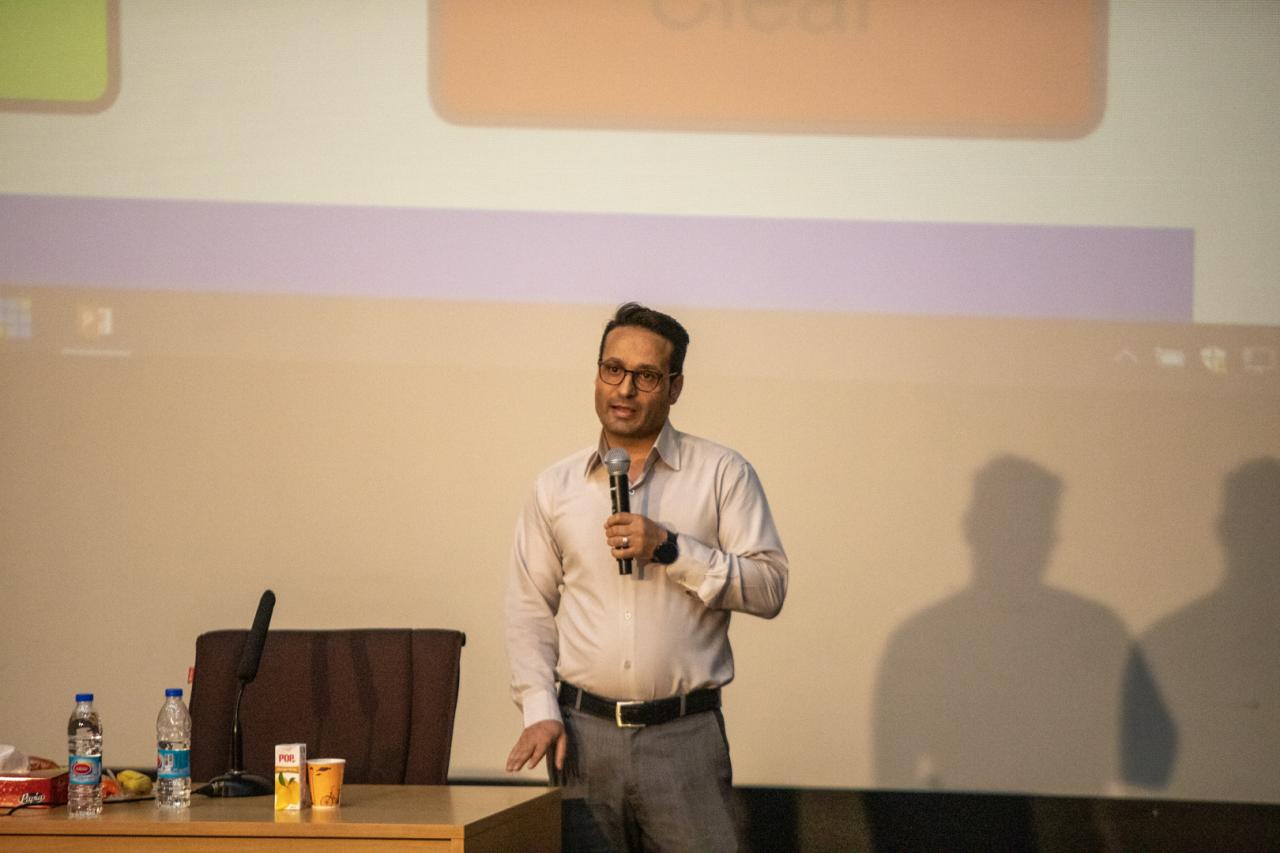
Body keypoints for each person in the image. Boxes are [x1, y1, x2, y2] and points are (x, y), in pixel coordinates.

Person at [504, 302, 789, 852]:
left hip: (685, 739)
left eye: (646, 376)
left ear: (675, 387)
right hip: (581, 738)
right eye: (613, 369)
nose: (625, 389)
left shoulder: (722, 473)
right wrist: (539, 710)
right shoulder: (555, 487)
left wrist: (673, 549)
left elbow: (770, 587)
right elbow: (528, 608)